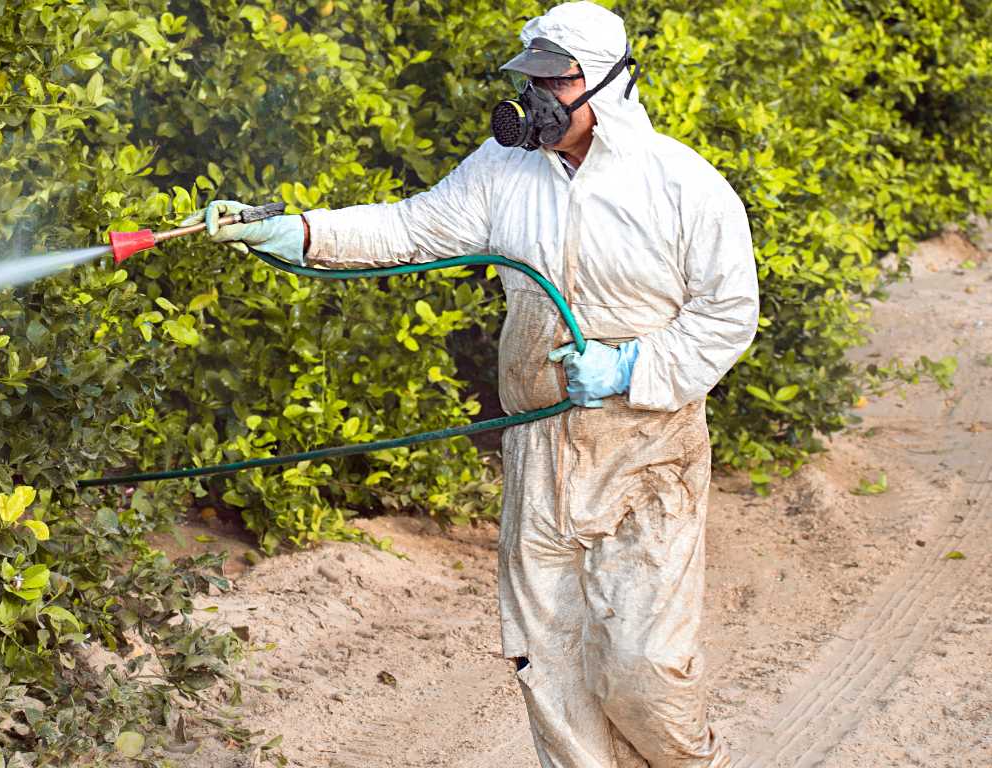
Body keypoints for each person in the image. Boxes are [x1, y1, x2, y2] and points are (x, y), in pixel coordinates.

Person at [186, 2, 757, 765]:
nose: (539, 97)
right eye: (532, 79)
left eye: (558, 79)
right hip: (538, 448)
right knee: (549, 665)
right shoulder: (503, 169)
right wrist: (298, 231)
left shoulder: (684, 186)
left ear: (613, 84)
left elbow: (728, 314)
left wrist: (631, 368)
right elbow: (411, 229)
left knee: (643, 669)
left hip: (646, 452)